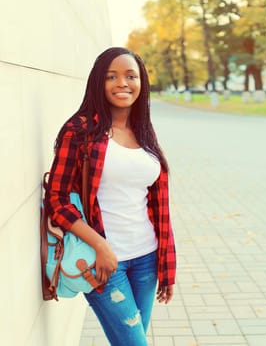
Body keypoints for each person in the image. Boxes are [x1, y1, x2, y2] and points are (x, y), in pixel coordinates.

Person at [45, 47, 176, 346]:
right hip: (102, 261)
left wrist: (167, 264)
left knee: (134, 339)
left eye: (131, 76)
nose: (122, 83)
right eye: (111, 76)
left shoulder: (144, 130)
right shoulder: (80, 130)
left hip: (146, 257)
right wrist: (100, 244)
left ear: (141, 82)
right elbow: (57, 199)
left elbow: (157, 205)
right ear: (98, 83)